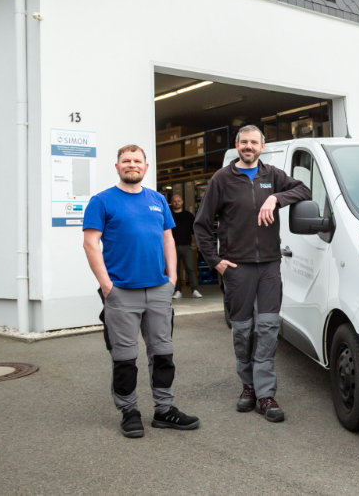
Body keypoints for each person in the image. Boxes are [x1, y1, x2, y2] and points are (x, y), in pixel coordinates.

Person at [194, 125, 310, 423]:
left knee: (268, 329)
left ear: (262, 146)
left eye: (253, 142)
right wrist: (216, 262)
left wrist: (276, 199)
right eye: (243, 142)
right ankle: (248, 386)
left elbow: (303, 190)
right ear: (237, 146)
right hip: (237, 269)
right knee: (243, 331)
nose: (248, 146)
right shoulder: (222, 179)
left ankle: (266, 394)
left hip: (269, 266)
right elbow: (202, 225)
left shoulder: (272, 175)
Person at [82, 144, 200, 438]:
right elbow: (90, 243)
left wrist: (172, 279)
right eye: (126, 160)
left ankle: (164, 410)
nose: (132, 164)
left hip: (159, 290)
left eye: (137, 160)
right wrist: (107, 286)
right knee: (125, 358)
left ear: (146, 167)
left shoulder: (157, 200)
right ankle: (129, 411)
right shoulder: (102, 201)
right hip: (121, 292)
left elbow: (168, 239)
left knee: (163, 354)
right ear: (117, 166)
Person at [169, 194, 202, 299]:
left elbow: (194, 231)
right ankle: (178, 291)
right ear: (172, 202)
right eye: (175, 201)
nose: (177, 203)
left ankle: (194, 290)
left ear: (182, 202)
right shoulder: (169, 215)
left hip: (186, 246)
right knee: (175, 270)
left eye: (179, 201)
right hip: (172, 248)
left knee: (190, 269)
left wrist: (195, 243)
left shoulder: (188, 215)